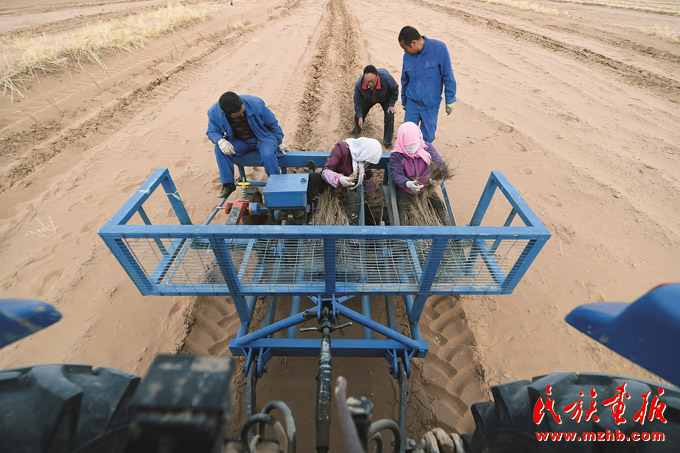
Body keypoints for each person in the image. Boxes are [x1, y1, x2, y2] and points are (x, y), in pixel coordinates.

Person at [206, 92, 289, 198]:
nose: (241, 115)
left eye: (242, 112)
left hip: (263, 138)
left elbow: (272, 123)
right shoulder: (214, 112)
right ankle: (228, 184)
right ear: (225, 113)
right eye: (237, 116)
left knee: (268, 155)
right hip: (241, 141)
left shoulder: (256, 103)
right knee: (219, 149)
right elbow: (212, 131)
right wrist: (220, 141)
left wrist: (279, 141)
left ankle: (276, 184)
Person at [398, 26, 457, 143]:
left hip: (430, 105)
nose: (404, 52)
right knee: (408, 137)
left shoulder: (439, 49)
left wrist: (450, 99)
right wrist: (404, 101)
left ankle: (423, 159)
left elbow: (448, 75)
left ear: (414, 43)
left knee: (427, 139)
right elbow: (404, 80)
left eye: (405, 48)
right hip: (412, 103)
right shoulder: (408, 56)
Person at [389, 122, 451, 226]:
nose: (412, 149)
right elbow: (396, 175)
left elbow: (440, 165)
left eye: (414, 145)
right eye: (408, 147)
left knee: (440, 207)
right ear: (401, 142)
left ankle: (453, 234)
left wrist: (439, 178)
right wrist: (408, 184)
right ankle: (403, 239)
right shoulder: (396, 155)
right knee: (403, 214)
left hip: (426, 187)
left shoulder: (427, 148)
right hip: (405, 190)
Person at [315, 137, 383, 225]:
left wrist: (370, 195)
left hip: (348, 189)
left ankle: (352, 228)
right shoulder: (342, 149)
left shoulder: (364, 159)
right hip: (332, 186)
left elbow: (368, 174)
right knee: (353, 198)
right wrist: (339, 179)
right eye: (367, 161)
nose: (367, 163)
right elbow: (325, 171)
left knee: (355, 199)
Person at [352, 65, 399, 148]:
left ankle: (387, 142)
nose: (370, 84)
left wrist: (391, 104)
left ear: (377, 76)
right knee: (359, 115)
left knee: (389, 116)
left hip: (384, 97)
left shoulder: (386, 77)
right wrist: (359, 116)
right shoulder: (359, 83)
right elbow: (357, 102)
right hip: (368, 98)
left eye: (372, 81)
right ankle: (356, 131)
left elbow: (395, 89)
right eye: (367, 81)